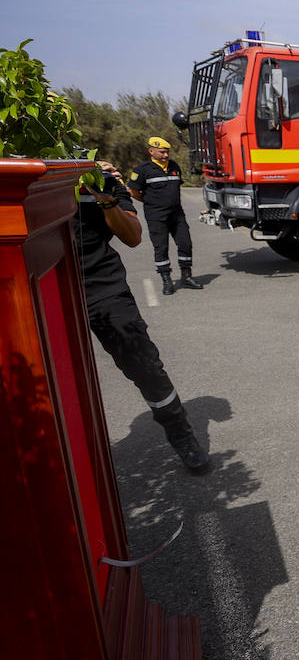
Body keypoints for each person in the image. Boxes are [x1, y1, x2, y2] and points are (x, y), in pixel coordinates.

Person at [77, 162, 210, 473]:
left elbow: (133, 236)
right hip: (43, 289)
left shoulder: (98, 175)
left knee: (145, 366)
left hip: (101, 288)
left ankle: (182, 437)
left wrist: (104, 196)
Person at [128, 136, 200, 295]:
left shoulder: (174, 166)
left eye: (167, 152)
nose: (166, 155)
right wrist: (150, 202)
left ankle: (186, 277)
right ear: (151, 151)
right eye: (162, 152)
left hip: (177, 214)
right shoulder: (142, 170)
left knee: (185, 243)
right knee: (161, 248)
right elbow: (133, 192)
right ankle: (166, 280)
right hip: (156, 216)